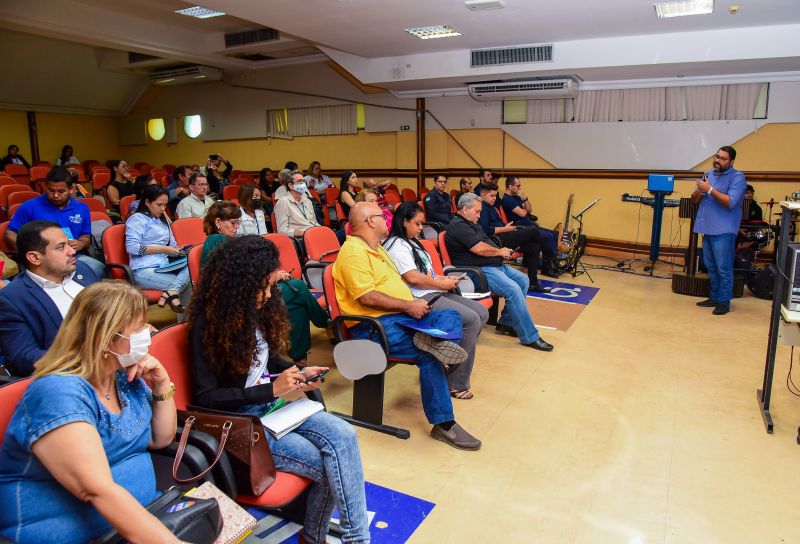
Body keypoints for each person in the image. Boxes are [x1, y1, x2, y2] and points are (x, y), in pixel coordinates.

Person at [188, 236, 370, 544]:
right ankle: (319, 538)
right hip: (242, 424)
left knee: (344, 435)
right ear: (241, 283)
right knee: (331, 465)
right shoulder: (209, 324)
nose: (269, 294)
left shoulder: (253, 310)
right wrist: (271, 390)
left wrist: (297, 372)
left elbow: (264, 356)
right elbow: (206, 398)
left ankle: (352, 538)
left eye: (271, 285)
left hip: (271, 410)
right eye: (265, 286)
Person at [0, 281, 179, 544]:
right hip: (78, 535)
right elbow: (96, 490)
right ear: (106, 339)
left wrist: (162, 383)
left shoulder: (122, 375)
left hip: (143, 518)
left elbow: (160, 439)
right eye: (139, 328)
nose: (149, 332)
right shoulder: (58, 392)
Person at [334, 201, 481, 450]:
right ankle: (445, 425)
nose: (387, 219)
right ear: (370, 221)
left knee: (453, 316)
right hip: (374, 327)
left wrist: (413, 305)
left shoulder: (377, 249)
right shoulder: (353, 253)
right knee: (429, 356)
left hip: (399, 317)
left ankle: (434, 341)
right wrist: (408, 306)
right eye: (383, 216)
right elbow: (366, 297)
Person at [384, 202, 488, 399]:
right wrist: (441, 284)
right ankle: (454, 383)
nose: (421, 228)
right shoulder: (397, 245)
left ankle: (448, 362)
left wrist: (445, 279)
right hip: (419, 297)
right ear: (404, 222)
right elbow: (413, 278)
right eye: (417, 223)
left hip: (431, 290)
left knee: (482, 313)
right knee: (471, 320)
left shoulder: (411, 240)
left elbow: (427, 273)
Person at [446, 192, 554, 352]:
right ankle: (530, 336)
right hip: (477, 270)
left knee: (523, 280)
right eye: (477, 211)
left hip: (491, 265)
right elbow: (479, 249)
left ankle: (507, 322)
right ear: (465, 209)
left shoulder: (471, 223)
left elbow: (486, 242)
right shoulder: (458, 226)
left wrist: (502, 251)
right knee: (513, 289)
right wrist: (499, 252)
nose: (479, 215)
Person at [0, 220, 100, 376]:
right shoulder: (12, 299)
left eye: (69, 244)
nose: (72, 251)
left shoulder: (82, 270)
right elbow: (23, 358)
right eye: (61, 247)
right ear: (35, 258)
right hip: (72, 376)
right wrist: (85, 354)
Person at [6, 166, 105, 278]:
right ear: (45, 187)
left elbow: (85, 236)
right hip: (43, 259)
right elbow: (10, 233)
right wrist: (32, 251)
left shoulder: (82, 208)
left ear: (71, 188)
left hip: (72, 256)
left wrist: (80, 243)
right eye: (51, 190)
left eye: (61, 191)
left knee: (98, 269)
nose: (55, 195)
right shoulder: (30, 206)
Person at [692, 146, 747, 316]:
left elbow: (731, 202)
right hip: (707, 228)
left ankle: (724, 301)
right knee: (711, 266)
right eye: (717, 157)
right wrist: (700, 191)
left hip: (724, 230)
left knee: (724, 268)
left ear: (731, 162)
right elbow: (694, 200)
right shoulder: (709, 174)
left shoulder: (738, 177)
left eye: (723, 158)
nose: (718, 160)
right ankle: (714, 297)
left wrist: (709, 189)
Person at [125, 185, 191, 312]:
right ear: (147, 202)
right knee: (187, 283)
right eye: (159, 204)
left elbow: (172, 245)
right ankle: (185, 323)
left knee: (193, 266)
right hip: (143, 269)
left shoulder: (162, 221)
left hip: (164, 267)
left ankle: (172, 294)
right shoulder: (137, 219)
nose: (163, 209)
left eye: (165, 205)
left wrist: (180, 250)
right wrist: (164, 249)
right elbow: (132, 248)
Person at [479, 184, 553, 293]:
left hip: (504, 234)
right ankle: (552, 255)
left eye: (495, 196)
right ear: (483, 195)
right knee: (533, 230)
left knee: (534, 247)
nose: (495, 198)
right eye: (492, 196)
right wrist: (505, 228)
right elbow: (486, 230)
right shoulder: (482, 208)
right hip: (496, 241)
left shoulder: (491, 207)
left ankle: (533, 283)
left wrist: (506, 227)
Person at [273, 170, 320, 238]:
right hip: (301, 238)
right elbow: (282, 231)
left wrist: (322, 230)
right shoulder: (283, 202)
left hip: (314, 234)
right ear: (291, 186)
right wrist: (305, 233)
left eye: (304, 181)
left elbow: (314, 222)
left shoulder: (307, 201)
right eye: (300, 181)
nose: (303, 184)